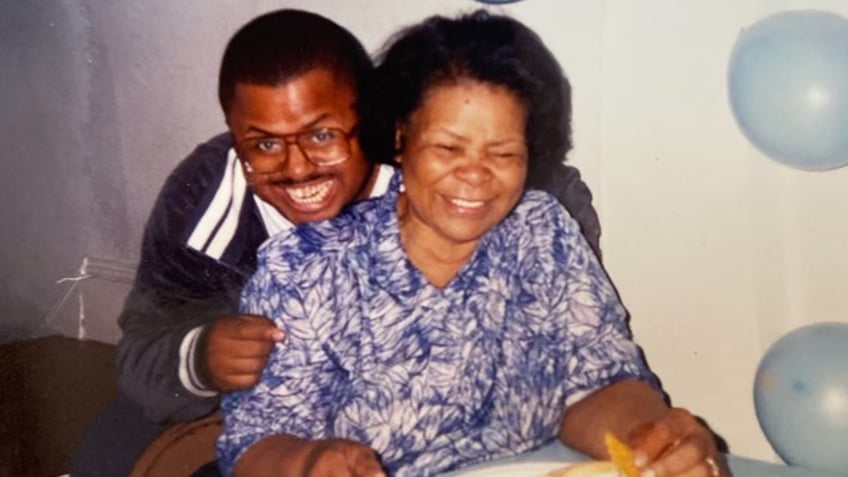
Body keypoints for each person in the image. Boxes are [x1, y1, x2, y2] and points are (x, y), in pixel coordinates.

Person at [71, 8, 602, 477]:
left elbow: (546, 186)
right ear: (236, 138)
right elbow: (140, 351)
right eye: (264, 144)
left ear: (374, 120)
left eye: (324, 135)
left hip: (397, 407)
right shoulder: (204, 200)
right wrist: (201, 357)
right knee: (106, 454)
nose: (297, 166)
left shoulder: (424, 166)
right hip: (244, 410)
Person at [216, 10, 726, 477]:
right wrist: (308, 463)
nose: (475, 176)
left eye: (502, 153)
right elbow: (253, 444)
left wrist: (650, 438)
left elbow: (596, 383)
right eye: (448, 148)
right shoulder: (308, 270)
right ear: (400, 138)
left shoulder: (541, 231)